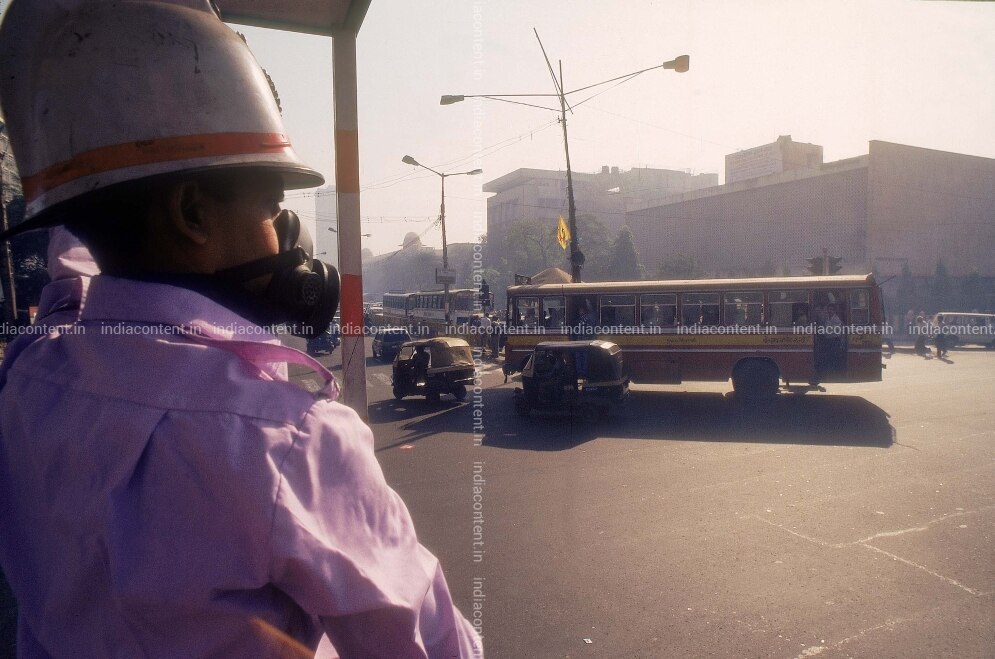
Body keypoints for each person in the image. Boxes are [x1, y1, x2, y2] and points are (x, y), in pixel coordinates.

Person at [0, 2, 481, 658]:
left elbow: (75, 271)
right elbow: (428, 647)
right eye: (270, 206)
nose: (288, 239)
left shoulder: (31, 378)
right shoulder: (287, 438)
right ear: (193, 214)